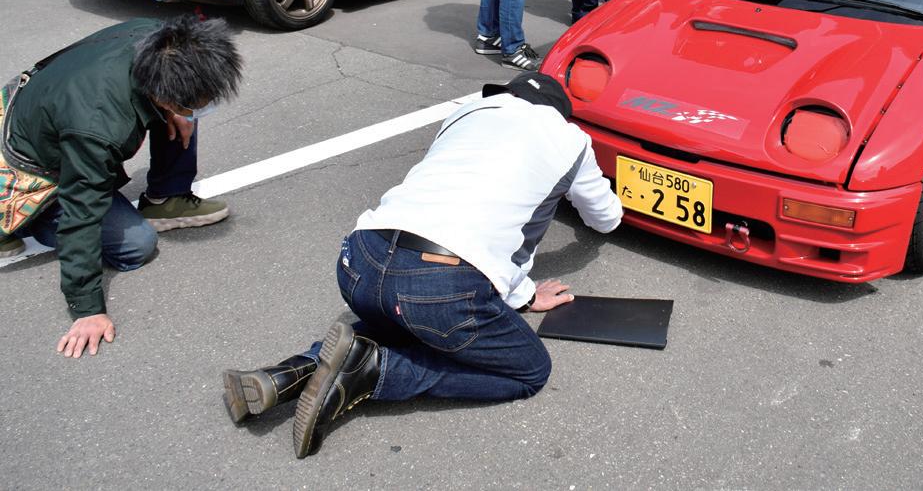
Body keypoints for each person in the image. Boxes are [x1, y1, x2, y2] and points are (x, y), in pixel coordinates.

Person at [220, 71, 622, 459]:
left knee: (412, 319)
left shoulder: (467, 112)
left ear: (510, 94)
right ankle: (373, 372)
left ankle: (286, 375)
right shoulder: (572, 141)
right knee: (529, 371)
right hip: (440, 282)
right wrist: (528, 293)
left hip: (360, 260)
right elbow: (604, 218)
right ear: (557, 113)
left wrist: (525, 293)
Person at [0, 16, 242, 358]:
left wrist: (182, 112)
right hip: (28, 163)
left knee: (187, 114)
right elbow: (82, 210)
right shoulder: (97, 125)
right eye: (181, 102)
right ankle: (28, 219)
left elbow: (179, 94)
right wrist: (87, 309)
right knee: (136, 246)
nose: (198, 107)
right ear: (161, 94)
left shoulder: (163, 41)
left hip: (48, 110)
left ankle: (166, 197)